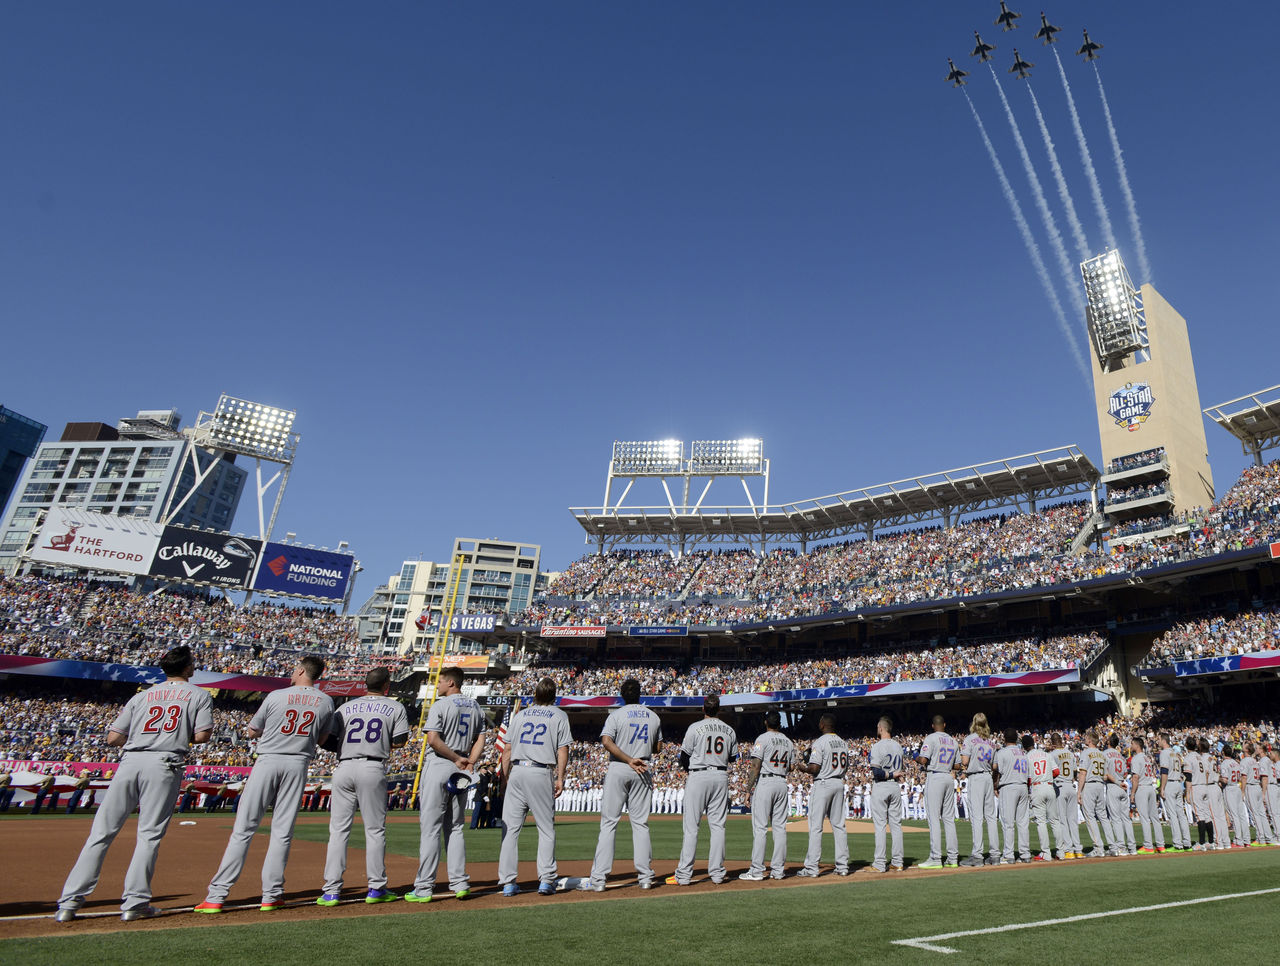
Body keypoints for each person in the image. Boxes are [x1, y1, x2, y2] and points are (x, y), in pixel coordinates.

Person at [55, 645, 213, 922]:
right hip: (164, 762)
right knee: (149, 835)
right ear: (187, 668)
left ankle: (69, 903)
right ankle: (135, 903)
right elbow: (201, 737)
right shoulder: (198, 694)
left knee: (101, 834)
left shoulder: (143, 695)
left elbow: (113, 738)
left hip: (130, 761)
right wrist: (172, 736)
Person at [196, 655, 335, 913]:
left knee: (244, 828)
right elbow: (323, 738)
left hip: (269, 759)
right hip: (298, 763)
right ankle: (271, 895)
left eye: (295, 669)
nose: (291, 673)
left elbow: (251, 731)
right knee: (282, 832)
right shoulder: (326, 701)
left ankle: (217, 895)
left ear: (302, 670)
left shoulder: (276, 696)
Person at [316, 666, 410, 906]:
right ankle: (376, 888)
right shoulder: (395, 707)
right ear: (387, 684)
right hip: (372, 766)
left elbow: (328, 742)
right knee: (375, 830)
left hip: (344, 766)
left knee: (338, 831)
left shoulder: (345, 707)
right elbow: (400, 742)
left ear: (365, 684)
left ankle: (331, 891)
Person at [408, 666, 486, 902]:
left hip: (442, 762)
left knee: (431, 828)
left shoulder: (441, 705)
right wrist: (469, 762)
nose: (438, 685)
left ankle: (423, 887)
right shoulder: (476, 707)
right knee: (455, 827)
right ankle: (460, 882)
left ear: (451, 683)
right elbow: (481, 738)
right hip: (461, 768)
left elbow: (433, 739)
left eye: (441, 681)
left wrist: (454, 758)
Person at [579, 678, 662, 891]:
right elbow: (658, 747)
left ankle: (598, 880)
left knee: (609, 823)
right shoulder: (653, 716)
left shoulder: (616, 715)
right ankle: (645, 877)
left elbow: (606, 741)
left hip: (619, 766)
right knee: (640, 824)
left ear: (623, 695)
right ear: (640, 694)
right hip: (643, 766)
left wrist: (627, 758)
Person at [497, 677, 571, 897]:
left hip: (518, 770)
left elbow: (507, 750)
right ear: (553, 695)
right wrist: (560, 777)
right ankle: (547, 880)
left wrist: (505, 777)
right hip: (540, 771)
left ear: (535, 695)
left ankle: (508, 882)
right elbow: (562, 749)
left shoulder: (520, 715)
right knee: (546, 829)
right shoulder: (559, 715)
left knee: (510, 829)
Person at [666, 694, 738, 886]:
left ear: (703, 708)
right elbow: (733, 758)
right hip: (720, 775)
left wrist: (694, 769)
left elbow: (684, 757)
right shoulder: (729, 730)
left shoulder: (695, 727)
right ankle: (717, 873)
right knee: (718, 826)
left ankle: (684, 875)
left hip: (698, 774)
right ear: (719, 709)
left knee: (691, 827)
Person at [739, 711, 795, 881]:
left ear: (766, 722)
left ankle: (756, 870)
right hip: (781, 782)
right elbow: (791, 767)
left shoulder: (762, 739)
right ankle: (778, 870)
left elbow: (756, 766)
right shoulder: (788, 741)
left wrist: (748, 790)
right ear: (780, 723)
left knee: (761, 828)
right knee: (779, 828)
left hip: (766, 781)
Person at [796, 713, 850, 877]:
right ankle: (842, 866)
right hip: (838, 782)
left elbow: (814, 768)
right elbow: (846, 767)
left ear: (822, 725)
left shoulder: (820, 742)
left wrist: (802, 767)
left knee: (816, 826)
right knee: (839, 826)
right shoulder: (843, 742)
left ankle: (812, 867)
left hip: (823, 783)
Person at [915, 714, 959, 869]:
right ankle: (953, 858)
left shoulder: (931, 738)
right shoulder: (953, 741)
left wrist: (916, 757)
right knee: (949, 819)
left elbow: (924, 760)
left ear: (933, 726)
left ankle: (935, 857)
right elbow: (958, 766)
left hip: (935, 776)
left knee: (934, 819)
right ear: (944, 725)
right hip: (948, 776)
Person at [959, 712, 999, 867]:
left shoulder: (969, 739)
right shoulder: (991, 742)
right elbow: (995, 766)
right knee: (991, 817)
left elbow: (964, 761)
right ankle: (995, 855)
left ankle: (977, 856)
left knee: (976, 817)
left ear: (974, 723)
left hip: (975, 777)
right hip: (988, 777)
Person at [867, 716, 904, 873]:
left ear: (881, 728)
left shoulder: (877, 746)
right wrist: (894, 775)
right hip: (895, 788)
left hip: (882, 786)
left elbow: (876, 772)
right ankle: (898, 862)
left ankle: (880, 863)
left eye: (878, 727)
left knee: (880, 826)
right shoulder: (899, 746)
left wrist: (890, 774)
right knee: (896, 825)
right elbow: (899, 772)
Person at [992, 729, 1031, 864]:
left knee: (1008, 823)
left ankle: (1008, 855)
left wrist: (994, 785)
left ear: (1004, 739)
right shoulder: (1023, 753)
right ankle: (1025, 854)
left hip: (1009, 787)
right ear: (1016, 739)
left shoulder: (1001, 752)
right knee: (1023, 822)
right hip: (1023, 786)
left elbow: (996, 770)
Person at [1076, 730, 1113, 858]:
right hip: (1100, 784)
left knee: (1089, 816)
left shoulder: (1086, 753)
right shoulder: (1102, 755)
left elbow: (1083, 773)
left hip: (1090, 784)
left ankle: (1098, 847)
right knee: (1103, 816)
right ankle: (1113, 846)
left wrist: (1079, 791)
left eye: (1086, 738)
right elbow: (1105, 774)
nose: (1085, 739)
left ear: (1090, 740)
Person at [1024, 734, 1059, 861]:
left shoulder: (1027, 757)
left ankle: (1046, 852)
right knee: (1055, 820)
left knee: (1041, 822)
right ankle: (1061, 851)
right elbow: (1056, 772)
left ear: (1024, 746)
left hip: (1037, 787)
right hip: (1049, 786)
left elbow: (1027, 779)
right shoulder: (1046, 754)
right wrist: (1047, 778)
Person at [1129, 736, 1165, 853]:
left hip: (1142, 788)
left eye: (1132, 744)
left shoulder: (1136, 759)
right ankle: (1160, 845)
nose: (1131, 746)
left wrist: (1132, 793)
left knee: (1144, 818)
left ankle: (1148, 846)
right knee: (1155, 818)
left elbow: (1135, 777)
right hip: (1150, 787)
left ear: (1137, 745)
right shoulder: (1147, 758)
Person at [1050, 733, 1082, 859]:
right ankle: (1078, 850)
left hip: (1060, 786)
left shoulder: (1052, 754)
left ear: (1052, 742)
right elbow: (1074, 771)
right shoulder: (1069, 753)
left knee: (1063, 820)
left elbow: (1052, 772)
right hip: (1070, 785)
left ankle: (1068, 850)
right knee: (1073, 820)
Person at [1157, 734, 1191, 852]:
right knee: (1181, 814)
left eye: (1159, 739)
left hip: (1170, 783)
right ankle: (1187, 842)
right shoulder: (1175, 753)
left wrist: (1162, 787)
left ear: (1163, 740)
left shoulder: (1165, 753)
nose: (1158, 742)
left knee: (1173, 815)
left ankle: (1178, 844)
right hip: (1178, 782)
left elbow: (1164, 771)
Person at [1103, 733, 1135, 856]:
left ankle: (1121, 846)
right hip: (1123, 786)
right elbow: (1126, 774)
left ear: (1108, 742)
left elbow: (1105, 774)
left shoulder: (1105, 754)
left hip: (1113, 786)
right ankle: (1132, 847)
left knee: (1115, 819)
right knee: (1126, 818)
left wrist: (1115, 780)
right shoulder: (1121, 756)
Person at [1242, 742, 1275, 846]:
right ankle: (1268, 837)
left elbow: (1244, 777)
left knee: (1255, 813)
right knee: (1261, 813)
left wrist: (1242, 791)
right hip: (1257, 786)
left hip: (1251, 786)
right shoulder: (1255, 761)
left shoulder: (1249, 761)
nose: (1256, 749)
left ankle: (1260, 838)